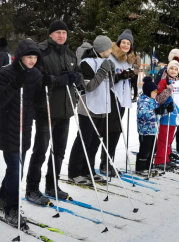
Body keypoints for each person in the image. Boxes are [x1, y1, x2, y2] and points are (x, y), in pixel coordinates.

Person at [25, 20, 82, 206]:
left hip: (65, 110)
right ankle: (32, 188)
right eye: (57, 32)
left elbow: (78, 75)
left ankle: (52, 184)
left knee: (59, 151)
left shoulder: (70, 54)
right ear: (50, 34)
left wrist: (77, 77)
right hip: (46, 109)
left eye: (64, 33)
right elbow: (37, 78)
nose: (61, 36)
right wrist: (60, 80)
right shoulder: (41, 52)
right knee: (40, 151)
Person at [0, 39, 43, 228]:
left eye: (35, 57)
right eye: (29, 57)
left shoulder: (36, 74)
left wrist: (45, 88)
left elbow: (37, 103)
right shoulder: (6, 73)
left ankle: (2, 197)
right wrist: (15, 84)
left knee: (16, 169)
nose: (32, 61)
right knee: (15, 169)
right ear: (20, 57)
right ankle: (12, 209)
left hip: (25, 128)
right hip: (8, 128)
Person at [67, 36, 114, 184]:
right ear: (101, 49)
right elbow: (89, 87)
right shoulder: (86, 63)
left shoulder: (104, 61)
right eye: (109, 48)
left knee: (95, 142)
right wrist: (102, 70)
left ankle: (88, 170)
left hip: (102, 106)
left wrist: (112, 72)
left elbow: (110, 85)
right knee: (84, 140)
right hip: (88, 107)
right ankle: (74, 172)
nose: (112, 50)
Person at [99, 29, 136, 175]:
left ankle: (109, 161)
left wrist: (131, 78)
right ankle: (105, 163)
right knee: (111, 131)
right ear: (119, 43)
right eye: (124, 42)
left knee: (116, 131)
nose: (126, 45)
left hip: (122, 99)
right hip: (112, 97)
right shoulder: (111, 58)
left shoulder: (128, 60)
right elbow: (106, 79)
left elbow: (127, 79)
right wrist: (120, 77)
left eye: (128, 43)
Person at [154, 60, 179, 171]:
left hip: (177, 114)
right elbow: (159, 99)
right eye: (171, 68)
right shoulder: (164, 82)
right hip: (167, 114)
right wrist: (167, 90)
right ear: (167, 70)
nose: (173, 71)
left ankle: (167, 158)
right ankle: (159, 160)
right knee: (163, 138)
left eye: (175, 69)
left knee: (169, 139)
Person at [135, 77, 165, 175]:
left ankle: (149, 165)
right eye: (154, 91)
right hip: (145, 130)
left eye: (156, 91)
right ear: (148, 91)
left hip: (153, 130)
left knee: (153, 148)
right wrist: (155, 112)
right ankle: (141, 167)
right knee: (145, 150)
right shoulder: (143, 102)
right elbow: (143, 115)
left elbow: (158, 114)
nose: (156, 93)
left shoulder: (153, 101)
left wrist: (164, 110)